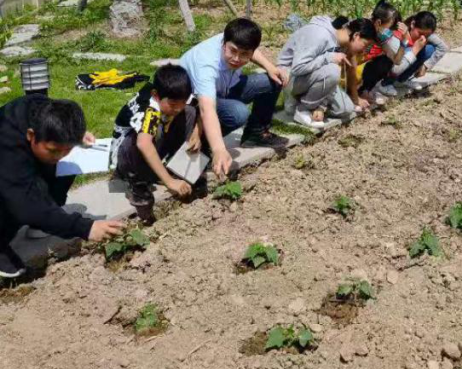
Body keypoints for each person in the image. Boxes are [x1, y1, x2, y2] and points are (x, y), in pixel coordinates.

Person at [0, 96, 124, 277]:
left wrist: (76, 137)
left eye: (66, 148)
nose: (59, 155)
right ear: (31, 135)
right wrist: (85, 228)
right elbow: (27, 205)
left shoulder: (39, 109)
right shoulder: (6, 149)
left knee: (65, 167)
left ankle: (39, 224)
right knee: (25, 198)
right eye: (53, 150)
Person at [179, 17, 291, 180]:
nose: (237, 59)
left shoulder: (235, 41)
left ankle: (256, 133)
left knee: (274, 80)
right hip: (190, 104)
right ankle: (202, 144)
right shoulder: (206, 63)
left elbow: (252, 52)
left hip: (224, 89)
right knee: (238, 113)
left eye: (244, 54)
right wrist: (219, 149)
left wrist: (271, 67)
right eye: (233, 51)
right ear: (224, 44)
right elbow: (206, 108)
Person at [113, 64, 204, 225]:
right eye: (173, 104)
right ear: (156, 95)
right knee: (150, 132)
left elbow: (201, 107)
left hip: (155, 144)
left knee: (190, 112)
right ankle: (137, 183)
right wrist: (169, 182)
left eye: (182, 102)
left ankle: (177, 168)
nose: (178, 108)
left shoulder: (178, 94)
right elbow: (143, 144)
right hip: (126, 156)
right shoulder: (149, 109)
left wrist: (197, 133)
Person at [277, 16, 377, 128]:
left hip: (313, 77)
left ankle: (311, 103)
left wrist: (321, 107)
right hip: (289, 77)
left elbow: (331, 76)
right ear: (356, 36)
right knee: (333, 71)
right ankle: (303, 109)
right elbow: (298, 67)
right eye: (365, 45)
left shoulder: (343, 44)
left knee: (345, 109)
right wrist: (328, 58)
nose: (364, 51)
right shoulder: (319, 34)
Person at [358, 0, 408, 100]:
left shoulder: (380, 36)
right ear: (379, 22)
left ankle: (365, 90)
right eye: (390, 25)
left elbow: (396, 61)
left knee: (385, 61)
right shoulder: (361, 28)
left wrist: (404, 39)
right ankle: (357, 92)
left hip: (360, 70)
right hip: (350, 67)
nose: (390, 30)